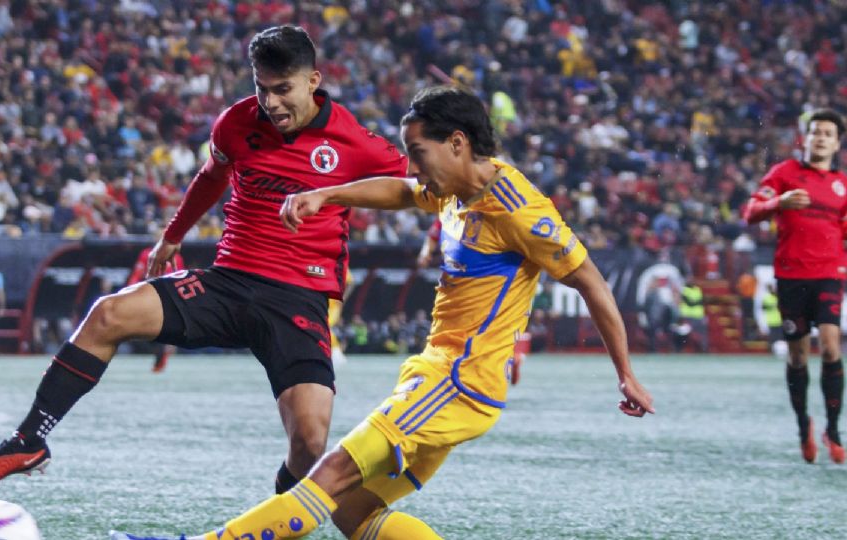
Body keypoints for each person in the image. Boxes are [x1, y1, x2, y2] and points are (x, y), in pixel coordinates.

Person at [111, 86, 653, 540]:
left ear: (458, 143)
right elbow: (398, 190)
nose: (413, 165)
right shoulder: (454, 188)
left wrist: (625, 374)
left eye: (418, 152)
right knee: (353, 512)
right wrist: (327, 195)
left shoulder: (518, 211)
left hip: (456, 381)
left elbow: (591, 282)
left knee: (329, 475)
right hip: (445, 377)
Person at [0, 25, 406, 493]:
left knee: (311, 446)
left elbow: (414, 190)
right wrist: (172, 237)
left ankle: (274, 522)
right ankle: (29, 440)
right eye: (262, 88)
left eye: (283, 90)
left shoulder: (356, 143)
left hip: (298, 298)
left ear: (313, 81)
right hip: (228, 283)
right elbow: (213, 175)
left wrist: (331, 193)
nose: (271, 103)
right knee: (109, 312)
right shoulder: (236, 123)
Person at [742, 108, 846, 464]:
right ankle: (804, 424)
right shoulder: (785, 173)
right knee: (799, 356)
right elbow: (750, 212)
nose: (820, 138)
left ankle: (833, 430)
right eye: (815, 131)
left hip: (830, 274)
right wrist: (778, 203)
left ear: (836, 142)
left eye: (828, 133)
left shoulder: (842, 185)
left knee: (832, 347)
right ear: (807, 137)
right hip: (791, 278)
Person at [124, 244, 185, 372]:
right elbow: (136, 274)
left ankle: (161, 357)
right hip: (150, 294)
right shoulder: (147, 253)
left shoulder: (176, 257)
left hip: (168, 298)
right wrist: (129, 291)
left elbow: (181, 279)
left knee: (166, 330)